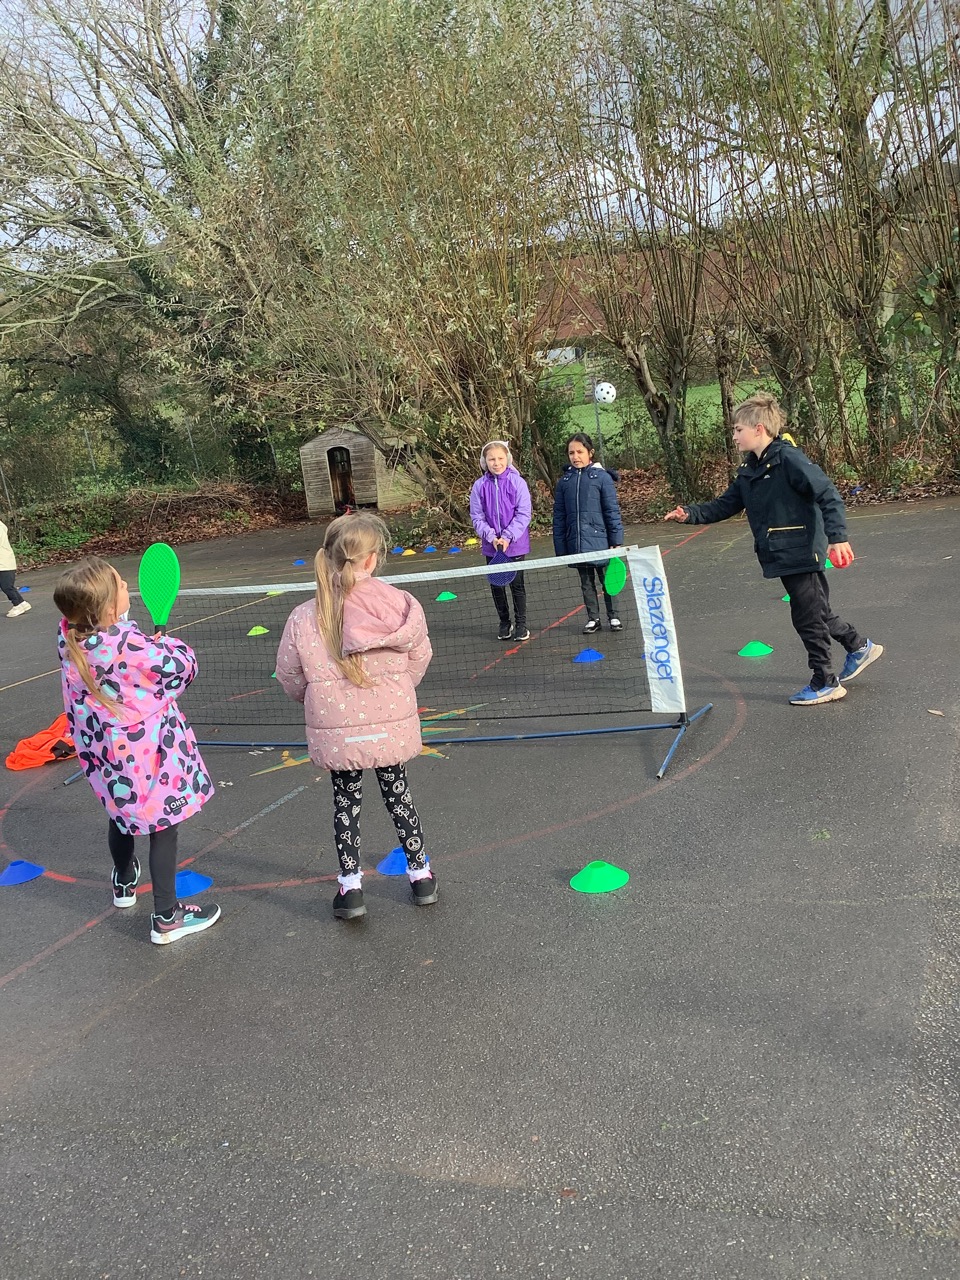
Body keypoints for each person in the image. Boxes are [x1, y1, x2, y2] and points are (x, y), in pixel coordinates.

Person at [664, 391, 883, 705]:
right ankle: (858, 646)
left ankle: (825, 681)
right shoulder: (750, 470)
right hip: (781, 552)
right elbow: (724, 505)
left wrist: (838, 537)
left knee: (807, 618)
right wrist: (689, 514)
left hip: (801, 551)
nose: (734, 436)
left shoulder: (789, 459)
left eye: (738, 429)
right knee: (817, 611)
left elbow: (828, 494)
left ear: (759, 429)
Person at [275, 512, 437, 921]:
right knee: (398, 794)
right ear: (372, 558)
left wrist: (319, 702)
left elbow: (290, 675)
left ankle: (350, 887)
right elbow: (419, 657)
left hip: (338, 730)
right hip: (389, 720)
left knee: (345, 802)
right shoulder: (399, 605)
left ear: (330, 556)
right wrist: (397, 691)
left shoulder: (304, 616)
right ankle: (421, 876)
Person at [53, 557, 220, 943]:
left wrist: (137, 638)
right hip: (147, 753)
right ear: (109, 607)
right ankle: (167, 917)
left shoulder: (69, 638)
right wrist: (164, 643)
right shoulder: (128, 646)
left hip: (104, 753)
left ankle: (124, 880)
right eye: (121, 584)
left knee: (120, 812)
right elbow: (183, 668)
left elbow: (119, 659)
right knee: (163, 826)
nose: (128, 585)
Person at [553, 431, 625, 634]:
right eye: (571, 453)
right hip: (576, 543)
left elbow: (611, 510)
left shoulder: (602, 478)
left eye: (580, 452)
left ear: (590, 452)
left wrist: (616, 540)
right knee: (586, 583)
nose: (575, 457)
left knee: (608, 580)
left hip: (601, 542)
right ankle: (593, 618)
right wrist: (561, 546)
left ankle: (614, 616)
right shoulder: (564, 482)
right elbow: (559, 516)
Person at [469, 439, 532, 642]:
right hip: (492, 546)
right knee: (497, 586)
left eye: (500, 458)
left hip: (515, 545)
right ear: (484, 462)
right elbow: (477, 516)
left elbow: (523, 514)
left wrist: (507, 537)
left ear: (508, 459)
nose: (496, 463)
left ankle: (521, 625)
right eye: (491, 459)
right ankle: (505, 622)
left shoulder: (518, 483)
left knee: (517, 585)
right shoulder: (479, 486)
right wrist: (491, 537)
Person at [1, 519, 30, 618]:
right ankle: (22, 603)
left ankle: (17, 605)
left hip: (4, 563)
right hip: (5, 562)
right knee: (7, 586)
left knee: (6, 586)